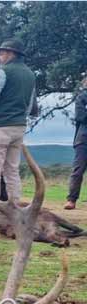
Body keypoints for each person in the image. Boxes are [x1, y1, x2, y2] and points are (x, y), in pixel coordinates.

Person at [0, 39, 36, 220]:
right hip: (19, 126)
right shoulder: (31, 75)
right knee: (12, 169)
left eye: (2, 53)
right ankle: (15, 208)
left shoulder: (3, 72)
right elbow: (29, 105)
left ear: (11, 54)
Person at [64, 76, 87, 210]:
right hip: (83, 139)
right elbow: (81, 116)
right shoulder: (82, 97)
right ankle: (71, 200)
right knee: (78, 170)